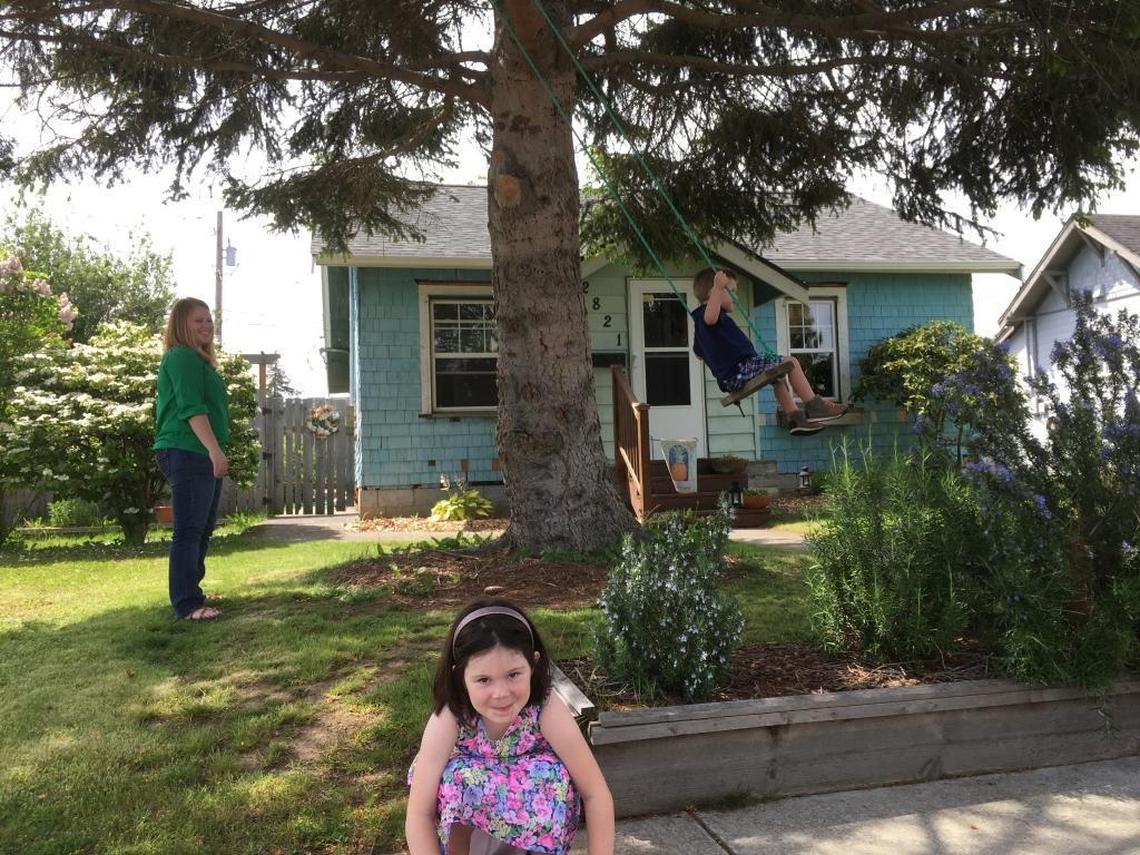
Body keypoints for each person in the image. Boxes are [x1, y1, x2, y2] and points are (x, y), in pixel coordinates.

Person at [406, 599, 615, 855]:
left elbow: (595, 792)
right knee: (456, 778)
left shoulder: (545, 708)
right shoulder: (450, 717)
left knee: (552, 774)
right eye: (483, 680)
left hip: (530, 824)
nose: (500, 693)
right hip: (471, 832)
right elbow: (418, 814)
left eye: (513, 674)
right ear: (460, 676)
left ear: (533, 664)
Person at [691, 267, 850, 435]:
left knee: (778, 378)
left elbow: (698, 353)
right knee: (791, 362)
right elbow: (710, 317)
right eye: (731, 291)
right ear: (713, 293)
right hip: (740, 370)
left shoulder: (701, 328)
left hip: (733, 376)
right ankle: (816, 406)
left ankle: (796, 419)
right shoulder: (707, 316)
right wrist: (718, 287)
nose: (736, 297)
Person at [153, 297, 230, 621]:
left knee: (202, 528)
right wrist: (214, 450)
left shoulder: (197, 361)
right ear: (181, 325)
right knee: (189, 530)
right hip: (188, 449)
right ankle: (187, 604)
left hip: (197, 450)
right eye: (198, 320)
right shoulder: (182, 357)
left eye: (208, 319)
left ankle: (192, 596)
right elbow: (191, 408)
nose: (206, 325)